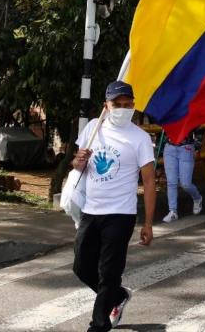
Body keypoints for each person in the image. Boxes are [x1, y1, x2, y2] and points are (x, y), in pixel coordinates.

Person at [71, 81, 156, 331]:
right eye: (116, 104)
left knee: (108, 272)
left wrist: (148, 223)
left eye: (127, 104)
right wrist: (78, 161)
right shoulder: (92, 129)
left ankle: (99, 325)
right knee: (81, 266)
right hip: (91, 210)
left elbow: (149, 181)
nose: (122, 109)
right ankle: (117, 296)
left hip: (121, 214)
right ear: (105, 106)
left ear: (133, 105)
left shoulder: (139, 138)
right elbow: (77, 167)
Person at [160, 128, 203, 223]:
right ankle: (173, 211)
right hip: (169, 147)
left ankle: (197, 198)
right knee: (171, 182)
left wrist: (197, 147)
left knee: (185, 184)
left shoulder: (190, 113)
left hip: (186, 147)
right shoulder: (168, 113)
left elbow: (198, 130)